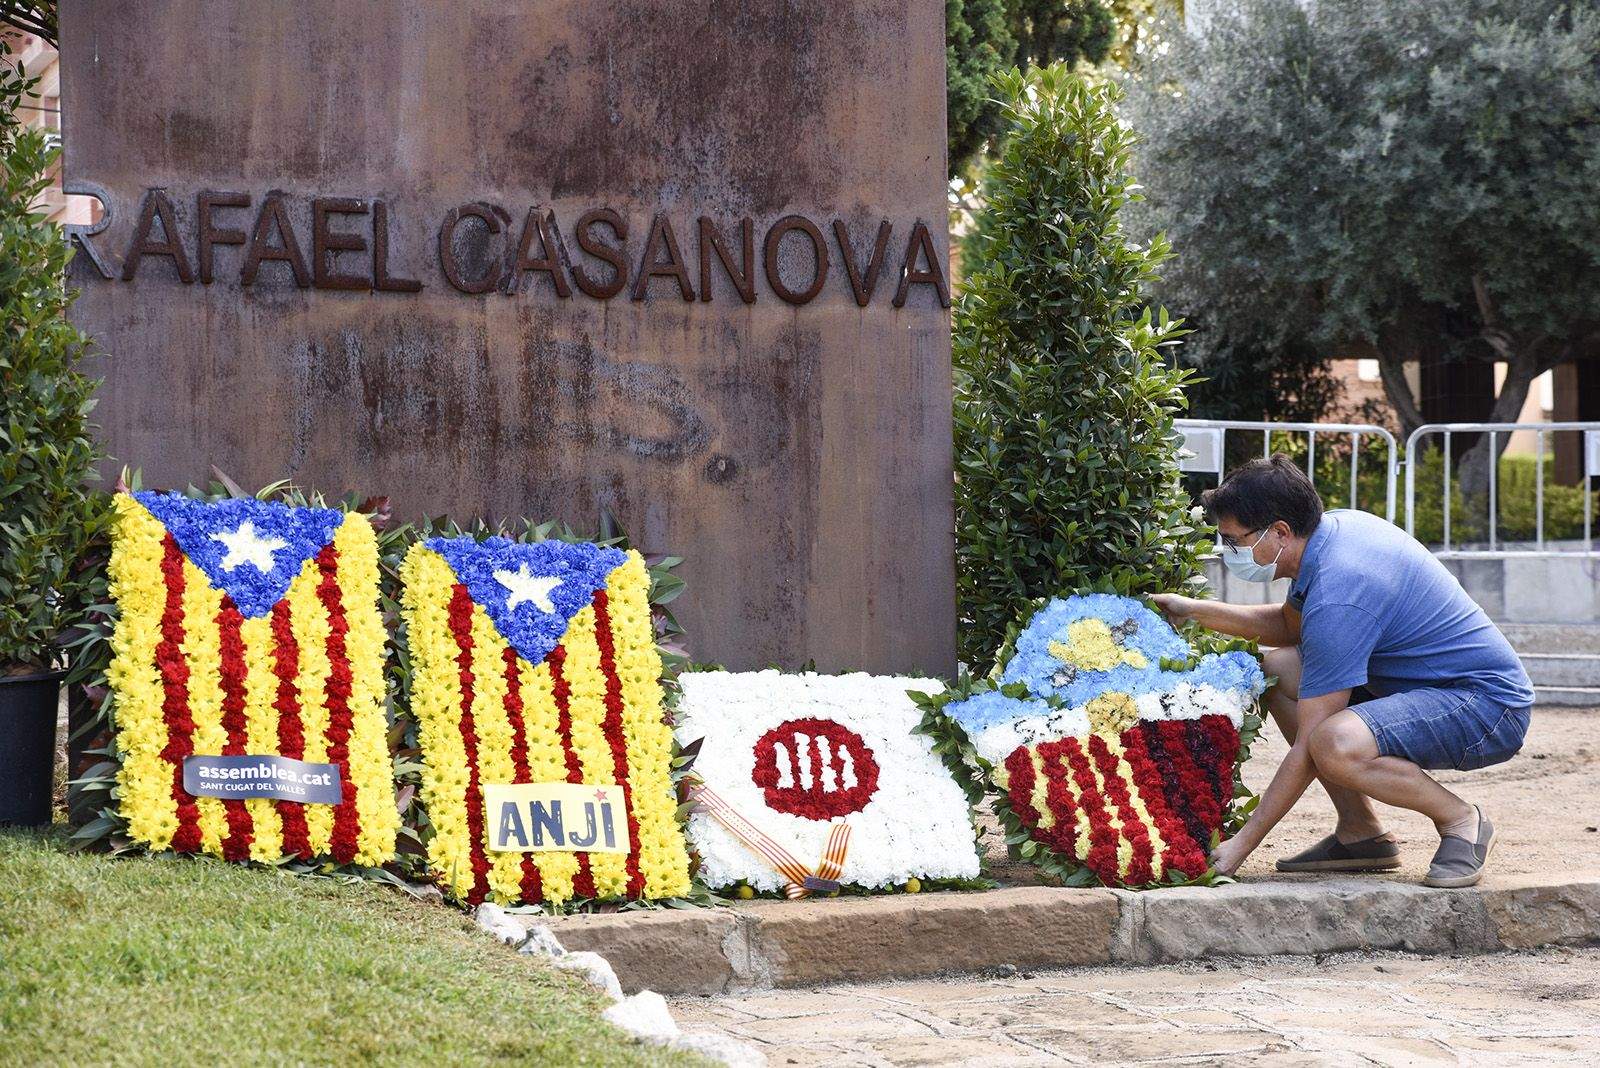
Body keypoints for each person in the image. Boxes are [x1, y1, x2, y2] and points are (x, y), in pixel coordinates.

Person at [1152, 454, 1533, 888]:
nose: (1230, 552)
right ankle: (1361, 832)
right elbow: (1288, 626)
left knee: (1333, 744)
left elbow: (1309, 748)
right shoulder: (1329, 534)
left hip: (1485, 705)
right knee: (1277, 671)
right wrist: (1194, 611)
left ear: (1279, 531)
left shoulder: (1341, 591)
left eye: (1235, 540)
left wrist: (1239, 847)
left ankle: (1462, 820)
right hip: (1417, 685)